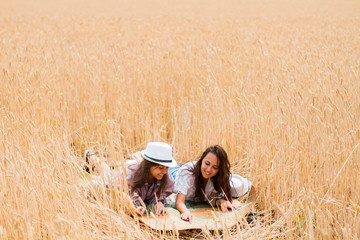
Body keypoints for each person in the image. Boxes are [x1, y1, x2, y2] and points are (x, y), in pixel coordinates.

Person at [84, 142, 177, 216]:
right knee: (104, 173)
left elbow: (163, 192)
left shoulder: (165, 175)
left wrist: (159, 202)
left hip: (123, 172)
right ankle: (92, 157)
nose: (165, 171)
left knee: (108, 168)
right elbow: (128, 195)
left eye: (167, 168)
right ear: (149, 166)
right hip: (114, 179)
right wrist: (135, 206)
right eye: (161, 168)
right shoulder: (131, 176)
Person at [173, 145, 253, 223]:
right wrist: (185, 212)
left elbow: (212, 198)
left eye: (215, 168)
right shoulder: (186, 173)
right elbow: (179, 202)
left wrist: (221, 201)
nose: (208, 170)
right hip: (175, 173)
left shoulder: (216, 178)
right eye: (207, 163)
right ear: (201, 160)